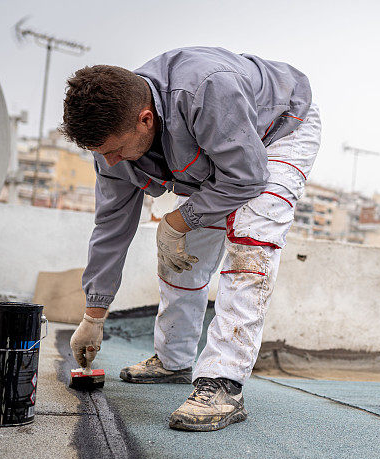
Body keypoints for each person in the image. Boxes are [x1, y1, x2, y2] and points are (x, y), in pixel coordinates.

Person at [60, 47, 321, 431]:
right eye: (102, 154)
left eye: (114, 150)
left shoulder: (206, 89)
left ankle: (223, 382)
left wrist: (180, 219)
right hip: (219, 145)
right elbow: (111, 227)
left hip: (278, 131)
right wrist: (93, 314)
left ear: (145, 120)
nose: (110, 162)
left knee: (252, 234)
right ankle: (174, 360)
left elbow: (247, 177)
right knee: (181, 252)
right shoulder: (113, 139)